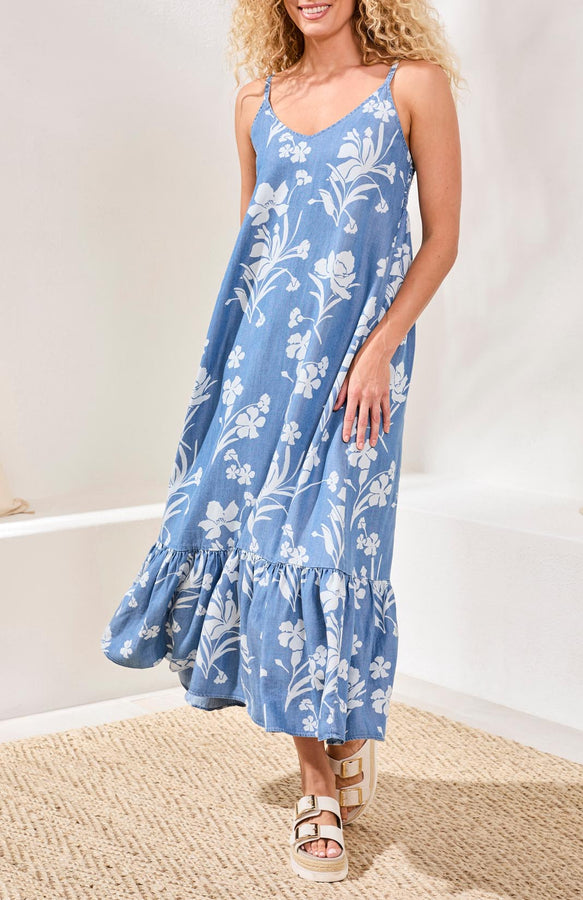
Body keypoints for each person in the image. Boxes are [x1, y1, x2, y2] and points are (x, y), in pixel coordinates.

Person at [101, 0, 462, 883]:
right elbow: (258, 253)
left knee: (330, 552)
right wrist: (234, 376)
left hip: (358, 377)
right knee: (264, 546)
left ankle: (341, 736)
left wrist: (379, 349)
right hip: (261, 370)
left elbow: (443, 239)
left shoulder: (411, 88)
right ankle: (317, 784)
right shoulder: (252, 102)